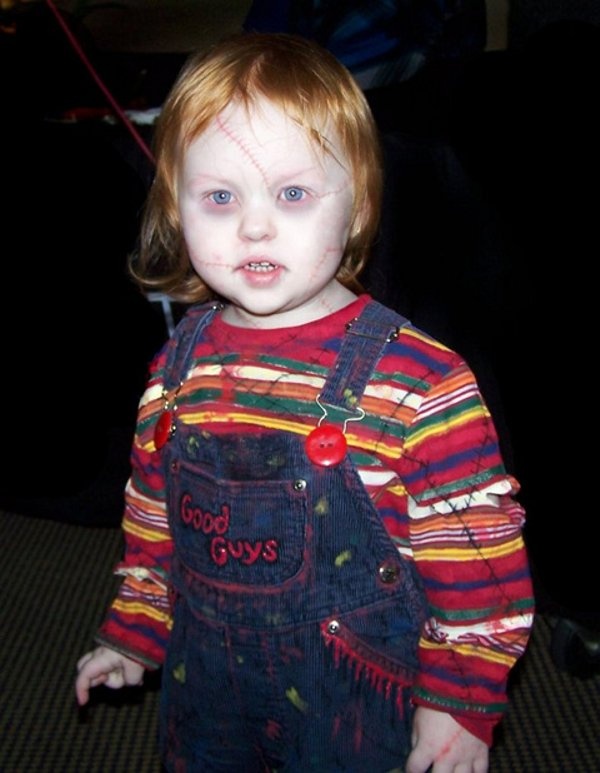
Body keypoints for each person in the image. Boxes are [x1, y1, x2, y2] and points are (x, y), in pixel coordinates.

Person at [75, 32, 534, 772]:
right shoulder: (175, 368)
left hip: (353, 704)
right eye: (219, 197)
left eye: (292, 194)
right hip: (208, 691)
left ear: (357, 206)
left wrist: (458, 702)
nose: (254, 225)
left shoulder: (419, 381)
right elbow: (154, 518)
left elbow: (477, 557)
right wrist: (135, 626)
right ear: (175, 209)